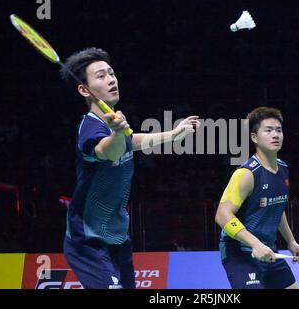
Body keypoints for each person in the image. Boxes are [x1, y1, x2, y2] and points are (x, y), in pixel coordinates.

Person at [59, 47, 200, 289]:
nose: (111, 79)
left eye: (111, 73)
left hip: (116, 235)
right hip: (88, 240)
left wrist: (173, 135)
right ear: (84, 89)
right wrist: (116, 131)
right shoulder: (91, 128)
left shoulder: (113, 123)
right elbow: (108, 152)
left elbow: (130, 142)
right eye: (101, 76)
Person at [215, 106, 299, 289]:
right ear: (254, 137)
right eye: (268, 130)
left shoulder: (283, 168)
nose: (275, 135)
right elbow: (222, 215)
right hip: (240, 252)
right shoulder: (247, 174)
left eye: (279, 130)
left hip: (267, 251)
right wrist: (255, 244)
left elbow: (276, 207)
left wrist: (290, 240)